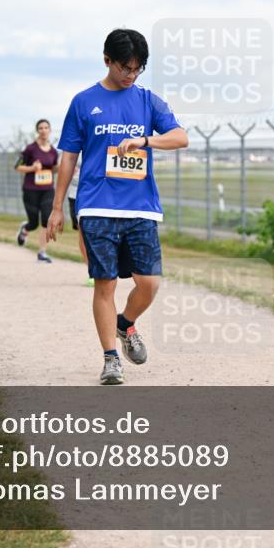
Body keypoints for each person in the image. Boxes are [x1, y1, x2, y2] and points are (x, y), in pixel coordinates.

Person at [47, 28, 189, 385]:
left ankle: (125, 324)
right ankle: (111, 358)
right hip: (96, 206)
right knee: (104, 284)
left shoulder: (147, 100)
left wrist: (145, 139)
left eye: (138, 69)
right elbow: (68, 157)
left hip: (141, 208)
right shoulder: (83, 102)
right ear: (107, 60)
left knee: (149, 283)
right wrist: (57, 207)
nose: (131, 75)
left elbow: (181, 137)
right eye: (125, 68)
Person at [16, 119, 58, 263]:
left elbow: (53, 168)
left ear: (50, 130)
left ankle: (42, 253)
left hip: (47, 189)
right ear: (37, 131)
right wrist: (32, 168)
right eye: (40, 128)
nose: (43, 130)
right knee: (33, 223)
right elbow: (17, 167)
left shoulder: (53, 151)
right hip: (31, 189)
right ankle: (25, 229)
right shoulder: (30, 149)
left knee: (46, 219)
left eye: (46, 127)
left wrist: (61, 168)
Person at [67, 159, 95, 287]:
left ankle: (106, 268)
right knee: (83, 233)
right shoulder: (73, 146)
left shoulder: (101, 141)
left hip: (96, 194)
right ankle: (92, 271)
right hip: (76, 195)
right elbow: (60, 166)